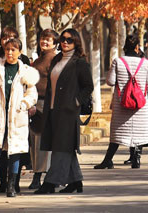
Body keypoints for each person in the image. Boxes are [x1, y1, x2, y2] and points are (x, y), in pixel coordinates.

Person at [0, 38, 39, 198]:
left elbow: (32, 94)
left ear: (20, 52)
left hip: (16, 118)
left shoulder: (25, 72)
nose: (10, 53)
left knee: (15, 154)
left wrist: (23, 105)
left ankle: (12, 186)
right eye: (8, 49)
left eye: (14, 50)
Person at [36, 29, 93, 194]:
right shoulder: (56, 60)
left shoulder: (79, 62)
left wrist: (75, 101)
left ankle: (50, 182)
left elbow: (88, 86)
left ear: (76, 42)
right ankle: (76, 181)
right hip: (53, 109)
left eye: (69, 40)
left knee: (61, 146)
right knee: (63, 146)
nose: (65, 42)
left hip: (68, 111)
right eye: (63, 39)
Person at [95, 34, 148, 169]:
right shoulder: (146, 63)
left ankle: (107, 160)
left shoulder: (118, 61)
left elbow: (110, 82)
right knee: (139, 131)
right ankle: (136, 160)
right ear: (137, 47)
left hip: (122, 103)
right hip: (140, 103)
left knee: (118, 133)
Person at [0, 26, 30, 193]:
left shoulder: (24, 63)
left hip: (16, 113)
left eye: (12, 40)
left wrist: (24, 104)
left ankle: (14, 183)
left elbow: (29, 88)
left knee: (15, 148)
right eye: (5, 39)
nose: (9, 47)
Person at [28, 29, 58, 190]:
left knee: (41, 142)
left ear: (55, 43)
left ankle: (39, 176)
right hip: (35, 104)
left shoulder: (53, 60)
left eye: (48, 40)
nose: (44, 42)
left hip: (46, 105)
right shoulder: (40, 58)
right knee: (36, 141)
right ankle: (41, 175)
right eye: (43, 39)